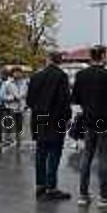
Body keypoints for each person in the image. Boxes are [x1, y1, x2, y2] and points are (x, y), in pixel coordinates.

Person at [72, 45, 107, 208]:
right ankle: (103, 197)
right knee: (102, 156)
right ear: (102, 56)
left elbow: (76, 98)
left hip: (88, 120)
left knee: (87, 155)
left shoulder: (81, 75)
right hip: (106, 120)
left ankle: (83, 195)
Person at [26, 52, 72, 199]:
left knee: (41, 152)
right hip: (56, 118)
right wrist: (67, 118)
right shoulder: (62, 76)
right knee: (54, 152)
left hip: (40, 117)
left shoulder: (35, 76)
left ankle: (40, 185)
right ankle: (51, 187)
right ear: (60, 61)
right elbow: (65, 101)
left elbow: (29, 101)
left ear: (47, 60)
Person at [2, 66, 28, 145]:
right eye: (16, 72)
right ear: (12, 73)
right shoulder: (7, 83)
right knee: (9, 124)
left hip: (21, 108)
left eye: (19, 72)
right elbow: (2, 96)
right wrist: (12, 98)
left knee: (19, 125)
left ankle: (19, 140)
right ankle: (7, 139)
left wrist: (25, 104)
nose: (18, 74)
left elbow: (27, 94)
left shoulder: (25, 83)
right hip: (11, 107)